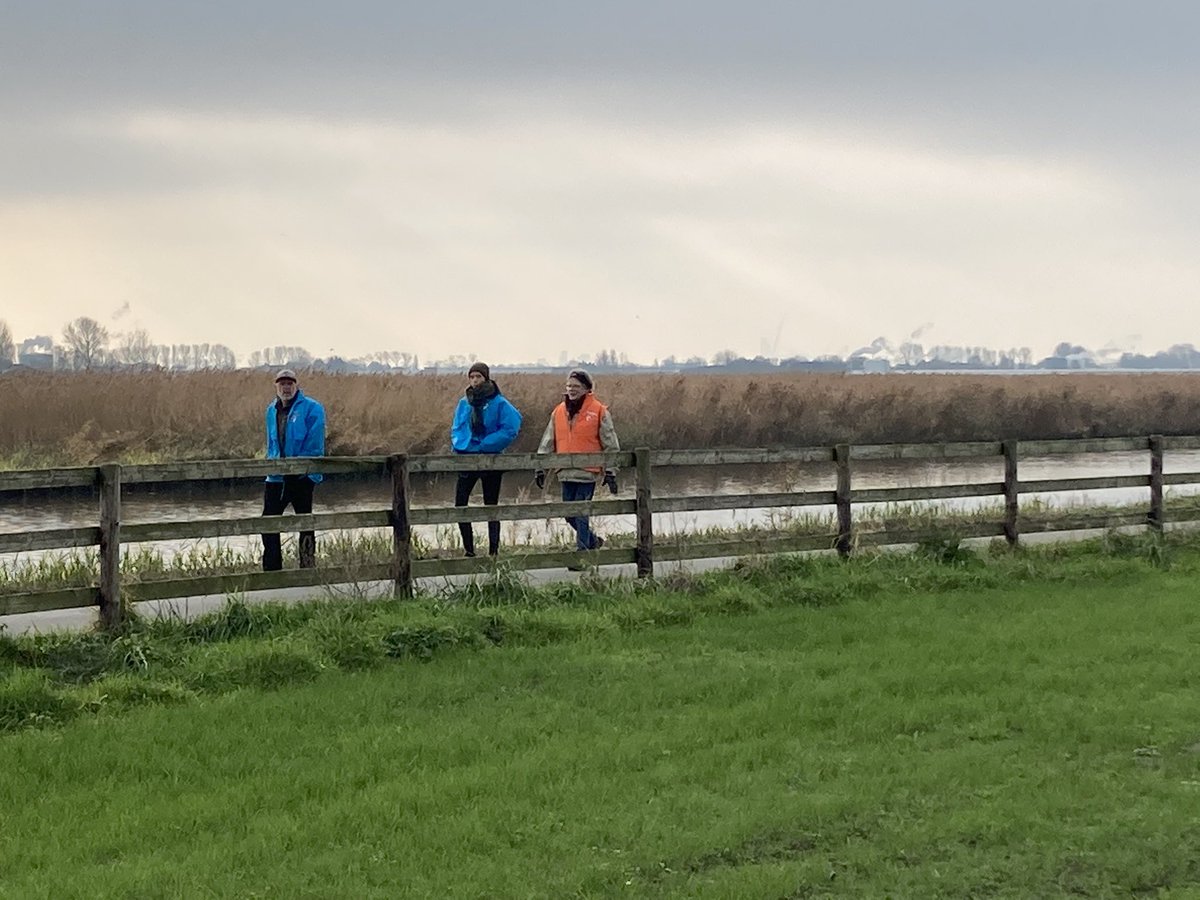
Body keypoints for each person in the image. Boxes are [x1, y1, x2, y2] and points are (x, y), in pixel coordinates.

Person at [535, 368, 620, 554]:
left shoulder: (599, 411)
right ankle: (593, 541)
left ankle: (582, 552)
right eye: (569, 386)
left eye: (576, 386)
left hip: (587, 471)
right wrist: (539, 467)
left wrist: (611, 471)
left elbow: (611, 444)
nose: (571, 389)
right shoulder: (558, 411)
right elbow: (548, 440)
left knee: (582, 512)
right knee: (568, 514)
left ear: (587, 388)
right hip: (564, 471)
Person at [450, 361, 523, 556]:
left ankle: (493, 551)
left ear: (486, 378)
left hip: (491, 459)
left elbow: (511, 427)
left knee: (491, 505)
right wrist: (462, 445)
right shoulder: (464, 403)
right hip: (467, 457)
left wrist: (485, 445)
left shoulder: (499, 402)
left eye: (478, 377)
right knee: (460, 504)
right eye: (472, 377)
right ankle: (469, 550)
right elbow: (457, 427)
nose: (475, 381)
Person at [262, 368, 326, 571]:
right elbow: (272, 442)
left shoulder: (312, 408)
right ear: (276, 386)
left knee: (305, 522)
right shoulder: (271, 410)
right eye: (282, 384)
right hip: (276, 477)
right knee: (267, 523)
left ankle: (307, 568)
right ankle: (272, 571)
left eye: (290, 383)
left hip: (301, 476)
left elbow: (315, 445)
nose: (286, 387)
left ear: (296, 385)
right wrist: (272, 464)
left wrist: (306, 473)